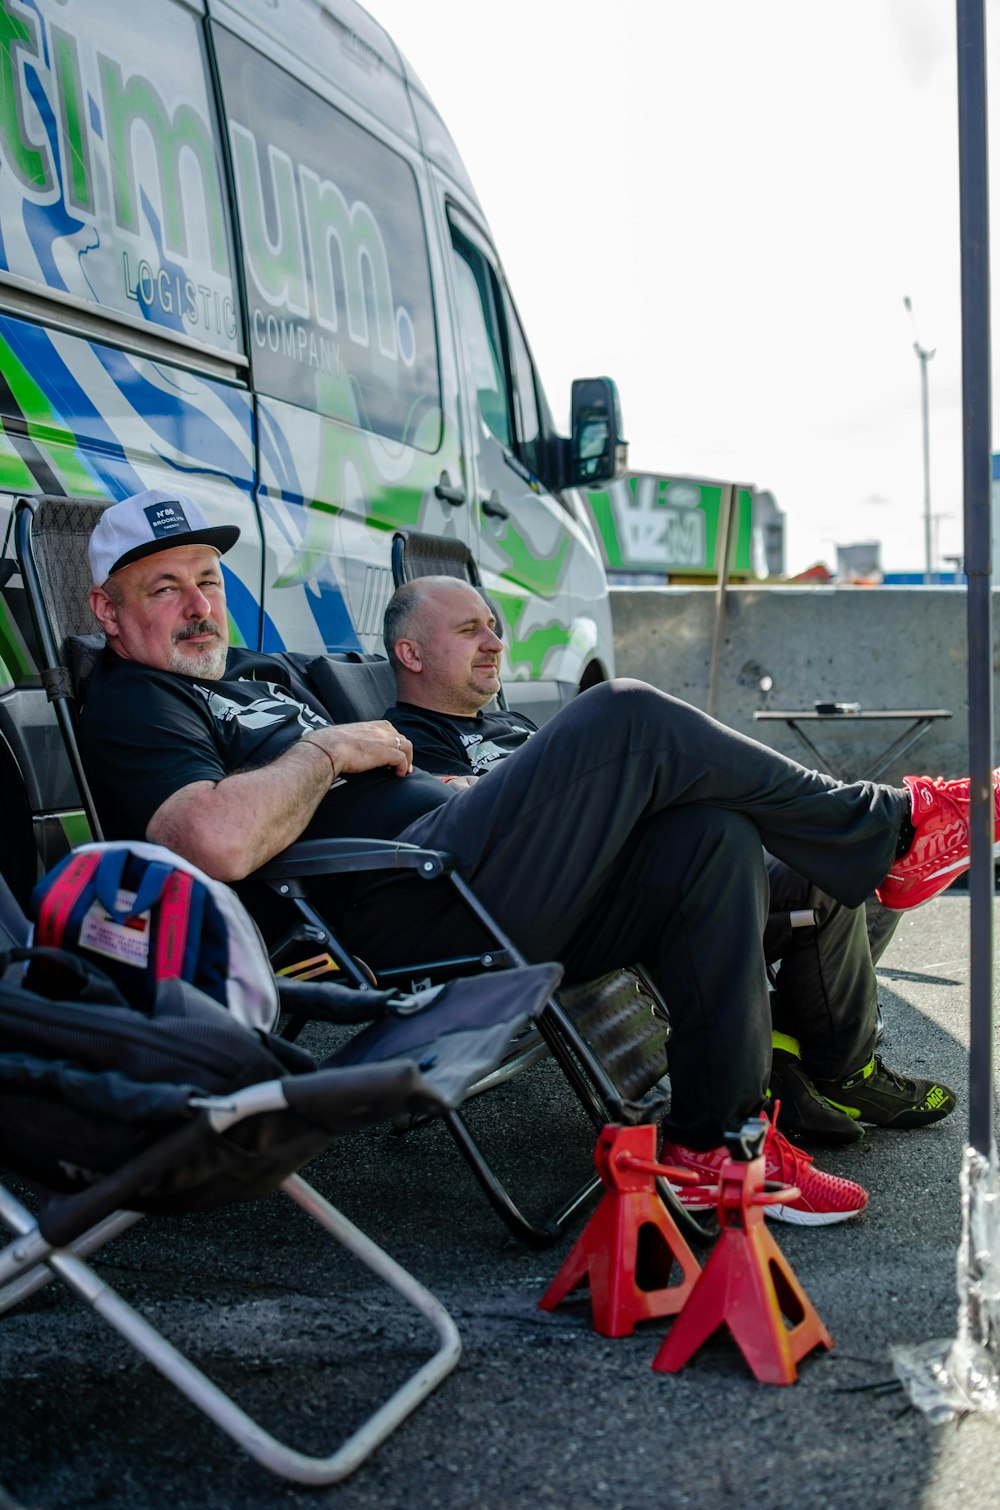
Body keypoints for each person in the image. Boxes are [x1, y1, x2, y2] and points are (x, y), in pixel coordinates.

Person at [80, 491, 981, 1228]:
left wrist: (469, 791)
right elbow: (215, 841)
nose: (200, 606)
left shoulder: (255, 678)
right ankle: (889, 827)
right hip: (407, 905)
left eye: (207, 580)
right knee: (623, 711)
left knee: (711, 839)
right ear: (107, 613)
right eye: (165, 589)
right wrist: (328, 752)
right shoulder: (137, 701)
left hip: (465, 869)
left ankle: (716, 1143)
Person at [381, 576, 914, 1149]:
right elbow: (436, 840)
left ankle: (813, 1072)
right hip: (547, 911)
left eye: (493, 627)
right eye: (469, 630)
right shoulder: (397, 746)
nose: (493, 642)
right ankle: (886, 824)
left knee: (797, 863)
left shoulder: (517, 729)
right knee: (629, 714)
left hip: (632, 877)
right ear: (410, 653)